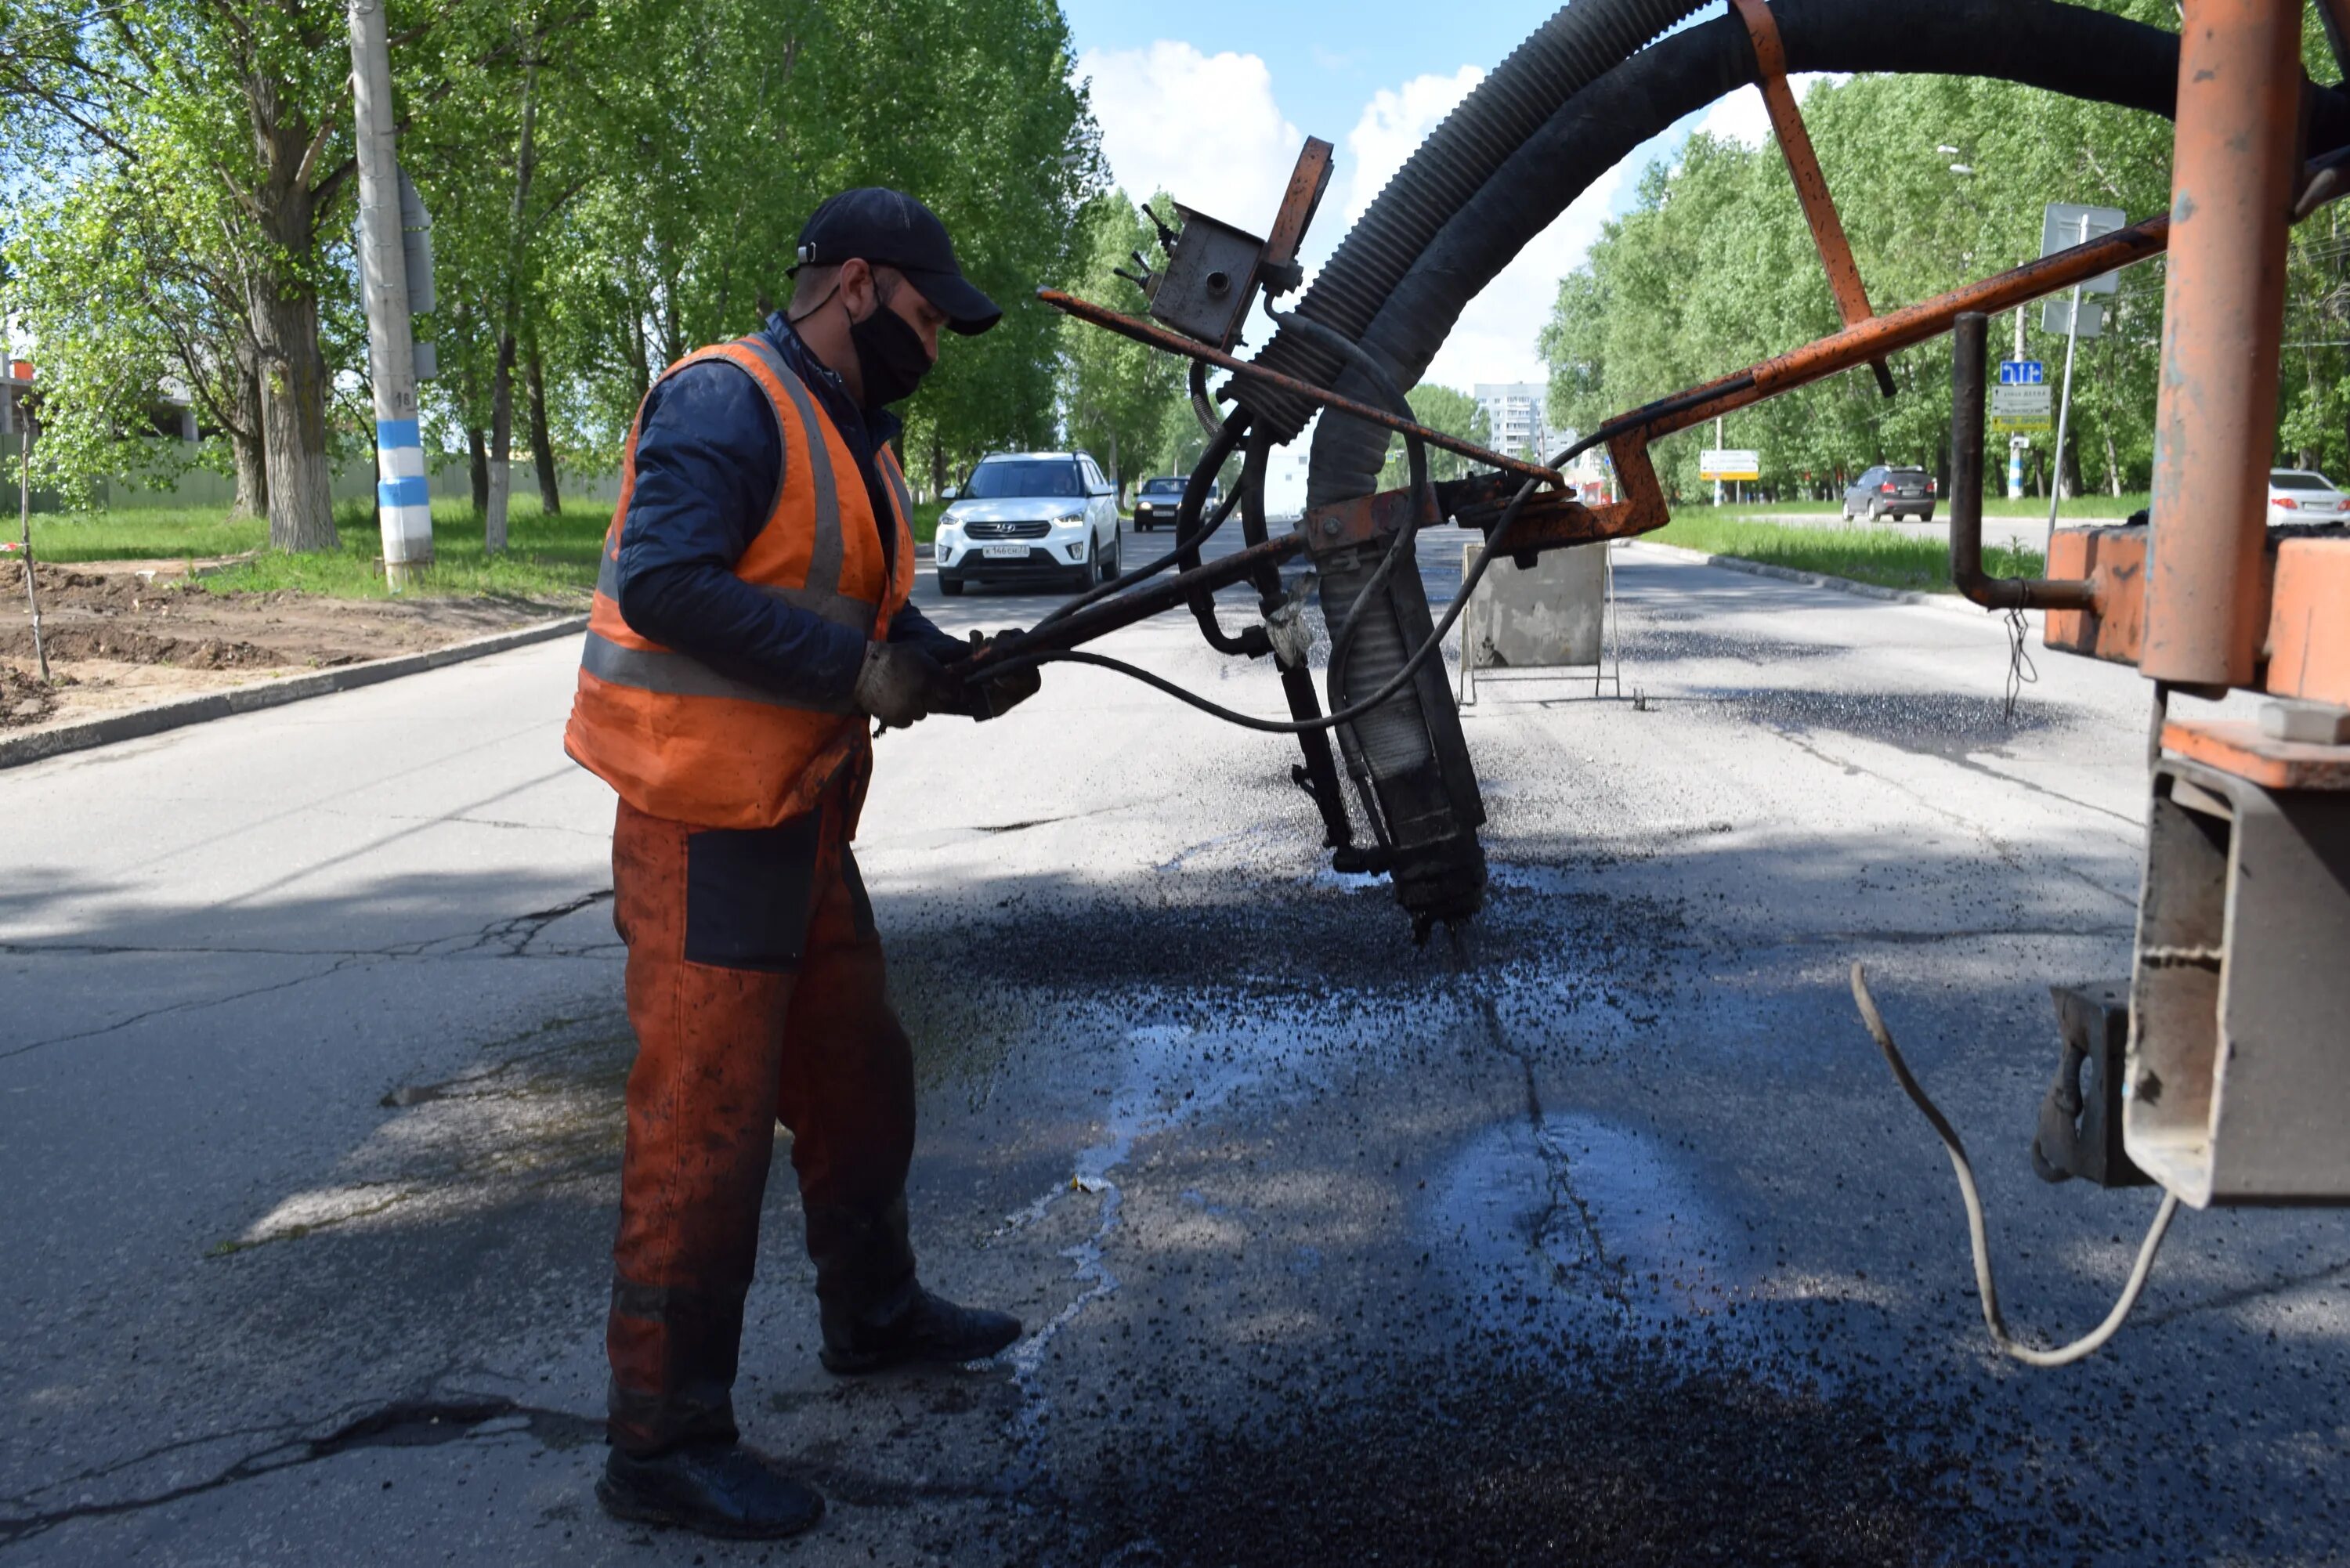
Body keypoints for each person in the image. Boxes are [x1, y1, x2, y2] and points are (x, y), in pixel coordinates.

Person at [563, 187, 1042, 1541]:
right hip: (705, 824)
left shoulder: (856, 434)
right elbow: (665, 582)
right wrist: (858, 668)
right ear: (852, 284)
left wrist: (948, 666)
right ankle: (659, 1442)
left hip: (798, 816)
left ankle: (873, 1314)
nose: (936, 343)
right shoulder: (728, 401)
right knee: (700, 1136)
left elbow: (859, 605)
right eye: (926, 314)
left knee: (856, 1071)